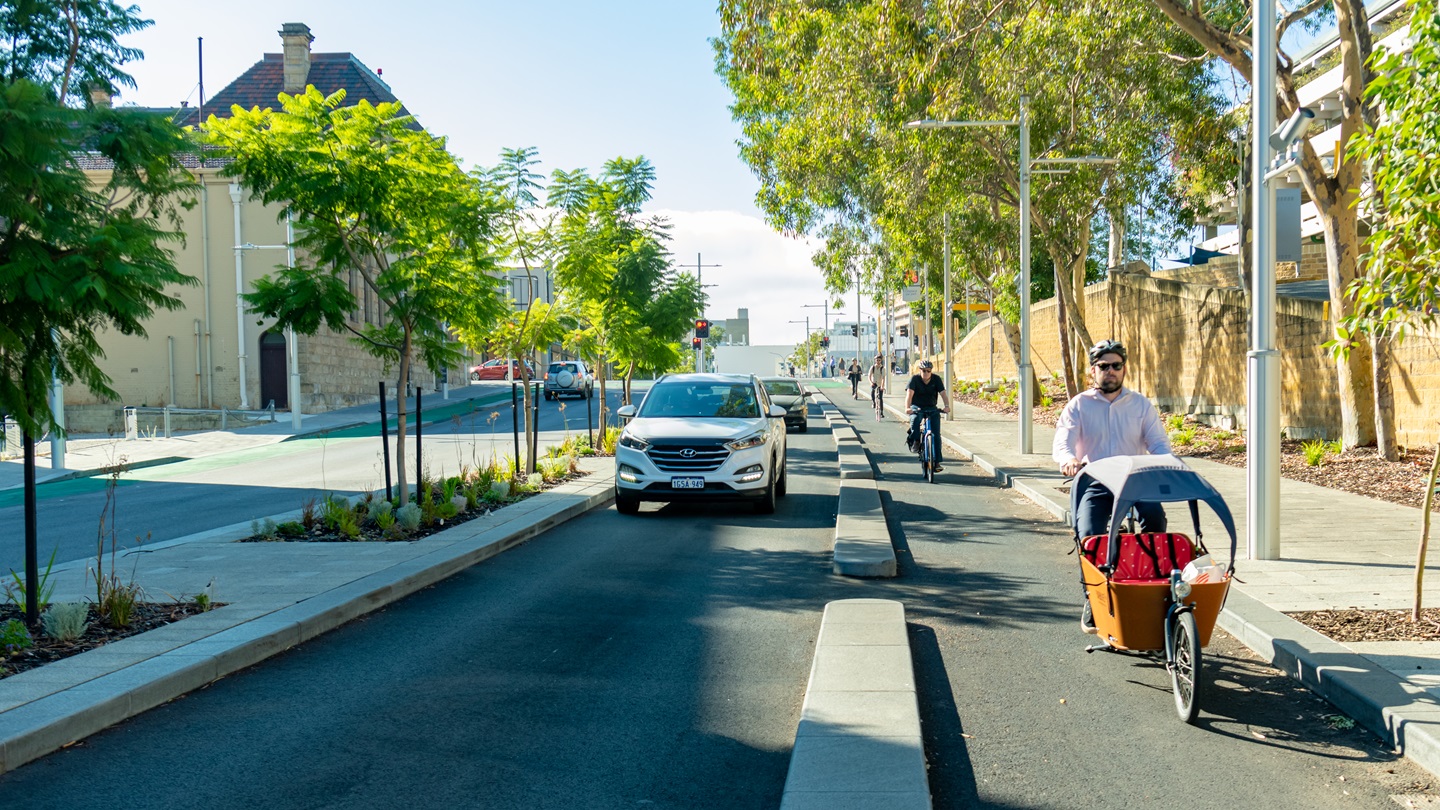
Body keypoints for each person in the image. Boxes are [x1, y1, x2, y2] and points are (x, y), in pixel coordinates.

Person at [1054, 340, 1171, 633]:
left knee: (1155, 520)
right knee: (1089, 533)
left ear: (1124, 369)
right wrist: (1069, 460)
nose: (1110, 371)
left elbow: (1158, 442)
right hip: (1097, 480)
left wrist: (1165, 462)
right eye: (1103, 366)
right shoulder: (1079, 405)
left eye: (1116, 365)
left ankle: (1150, 582)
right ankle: (1092, 597)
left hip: (1134, 480)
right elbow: (1064, 441)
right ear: (1093, 371)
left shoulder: (1140, 404)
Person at [904, 359, 950, 472]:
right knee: (915, 419)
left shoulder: (936, 379)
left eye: (928, 371)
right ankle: (915, 440)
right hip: (917, 407)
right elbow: (909, 395)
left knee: (936, 435)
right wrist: (907, 408)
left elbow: (943, 393)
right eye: (923, 370)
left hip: (931, 407)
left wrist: (947, 406)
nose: (926, 373)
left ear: (931, 371)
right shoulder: (914, 379)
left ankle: (937, 462)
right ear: (920, 370)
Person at [867, 355, 886, 420]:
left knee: (880, 398)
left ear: (881, 361)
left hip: (880, 384)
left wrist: (882, 386)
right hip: (874, 383)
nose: (878, 362)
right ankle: (873, 402)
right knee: (872, 392)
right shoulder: (872, 367)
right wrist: (871, 383)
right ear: (875, 360)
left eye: (879, 360)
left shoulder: (882, 368)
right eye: (877, 360)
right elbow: (869, 376)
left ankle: (881, 412)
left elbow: (883, 378)